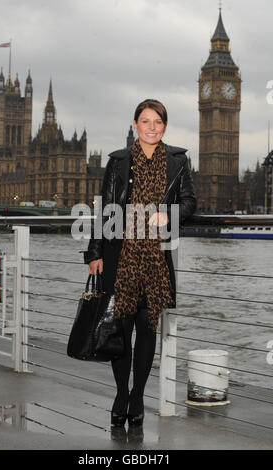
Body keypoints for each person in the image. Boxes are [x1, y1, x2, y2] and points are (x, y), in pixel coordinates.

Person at [84, 99, 196, 428]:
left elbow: (190, 200)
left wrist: (170, 213)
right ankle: (122, 393)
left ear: (164, 126)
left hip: (156, 258)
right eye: (145, 121)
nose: (151, 127)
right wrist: (95, 253)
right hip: (120, 254)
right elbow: (105, 209)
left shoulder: (178, 161)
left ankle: (138, 396)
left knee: (147, 331)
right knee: (120, 329)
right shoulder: (118, 162)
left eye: (157, 121)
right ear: (135, 125)